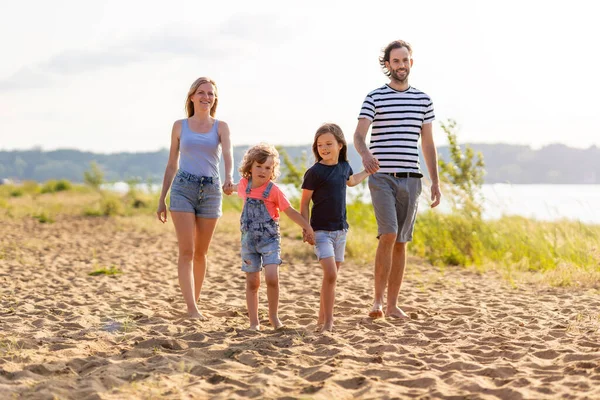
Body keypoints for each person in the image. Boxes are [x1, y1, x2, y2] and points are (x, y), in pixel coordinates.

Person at [353, 40, 442, 319]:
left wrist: (435, 181)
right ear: (387, 65)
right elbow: (358, 135)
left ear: (410, 63)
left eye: (405, 60)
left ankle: (392, 305)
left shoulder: (423, 100)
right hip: (381, 177)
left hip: (412, 179)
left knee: (401, 241)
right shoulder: (374, 97)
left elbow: (427, 144)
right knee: (388, 233)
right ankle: (377, 302)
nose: (401, 65)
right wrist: (366, 155)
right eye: (395, 61)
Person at [156, 76, 234, 320]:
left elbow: (228, 156)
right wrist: (162, 198)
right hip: (183, 188)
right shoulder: (180, 126)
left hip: (211, 190)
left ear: (214, 99)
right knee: (186, 251)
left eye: (211, 94)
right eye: (201, 92)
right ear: (192, 96)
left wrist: (228, 177)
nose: (206, 97)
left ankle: (194, 304)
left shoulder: (221, 127)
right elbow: (171, 164)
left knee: (201, 253)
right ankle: (192, 309)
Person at [226, 143, 315, 331]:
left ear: (272, 170)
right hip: (248, 242)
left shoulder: (273, 190)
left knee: (272, 278)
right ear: (250, 166)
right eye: (258, 166)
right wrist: (228, 188)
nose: (262, 170)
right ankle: (254, 322)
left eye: (268, 167)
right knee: (252, 281)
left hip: (270, 241)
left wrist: (307, 226)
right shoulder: (244, 185)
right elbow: (234, 187)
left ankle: (274, 317)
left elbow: (289, 211)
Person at [300, 123, 370, 332]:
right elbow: (304, 203)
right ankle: (329, 321)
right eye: (320, 144)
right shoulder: (314, 172)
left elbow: (351, 181)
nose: (324, 148)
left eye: (329, 143)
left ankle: (321, 320)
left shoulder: (343, 167)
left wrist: (368, 172)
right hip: (321, 232)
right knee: (331, 274)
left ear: (340, 145)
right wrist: (306, 228)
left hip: (341, 231)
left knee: (331, 278)